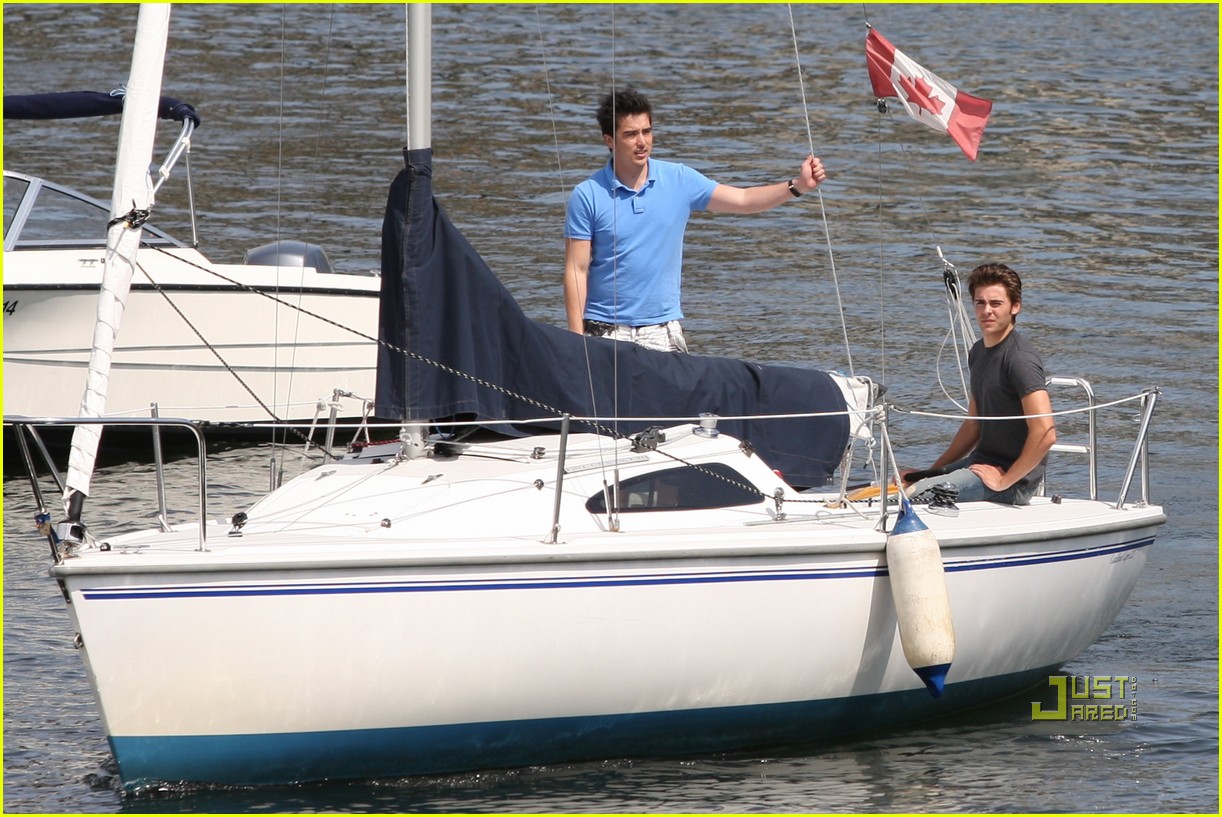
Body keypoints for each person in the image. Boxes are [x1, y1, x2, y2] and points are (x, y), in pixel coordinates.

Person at [563, 87, 826, 353]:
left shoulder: (679, 179)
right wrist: (575, 342)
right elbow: (577, 270)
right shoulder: (587, 195)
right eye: (631, 134)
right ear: (609, 140)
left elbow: (744, 200)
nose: (642, 142)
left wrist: (798, 186)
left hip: (663, 329)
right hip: (605, 329)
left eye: (647, 131)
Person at [904, 263, 1056, 505]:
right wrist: (927, 473)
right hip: (981, 463)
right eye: (980, 303)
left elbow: (1045, 433)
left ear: (1015, 307)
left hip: (1013, 481)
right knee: (908, 483)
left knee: (918, 495)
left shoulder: (1019, 359)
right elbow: (974, 425)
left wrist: (1005, 480)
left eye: (996, 304)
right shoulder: (978, 351)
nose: (987, 311)